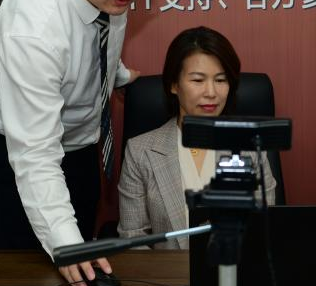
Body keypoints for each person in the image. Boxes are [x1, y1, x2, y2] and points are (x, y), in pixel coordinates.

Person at [0, 0, 164, 286]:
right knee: (33, 276)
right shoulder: (33, 28)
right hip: (19, 150)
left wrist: (116, 75)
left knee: (84, 261)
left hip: (80, 139)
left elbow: (95, 41)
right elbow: (35, 155)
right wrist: (66, 245)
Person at [117, 27, 277, 249]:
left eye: (221, 80)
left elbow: (264, 229)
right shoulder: (140, 151)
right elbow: (132, 238)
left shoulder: (249, 148)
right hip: (168, 271)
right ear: (174, 84)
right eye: (198, 80)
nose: (211, 92)